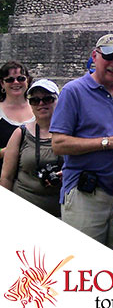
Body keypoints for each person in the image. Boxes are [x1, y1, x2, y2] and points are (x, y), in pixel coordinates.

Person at [51, 34, 113, 248]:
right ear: (95, 56)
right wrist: (109, 142)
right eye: (108, 57)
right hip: (85, 194)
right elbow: (58, 144)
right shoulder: (73, 91)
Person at [0, 79, 62, 217]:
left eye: (48, 99)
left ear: (59, 101)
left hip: (63, 212)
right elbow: (6, 177)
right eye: (35, 100)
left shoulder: (71, 133)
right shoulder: (20, 134)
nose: (41, 104)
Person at [0, 61, 34, 171]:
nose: (16, 82)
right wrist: (8, 151)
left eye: (21, 78)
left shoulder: (40, 107)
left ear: (27, 80)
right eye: (10, 80)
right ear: (2, 83)